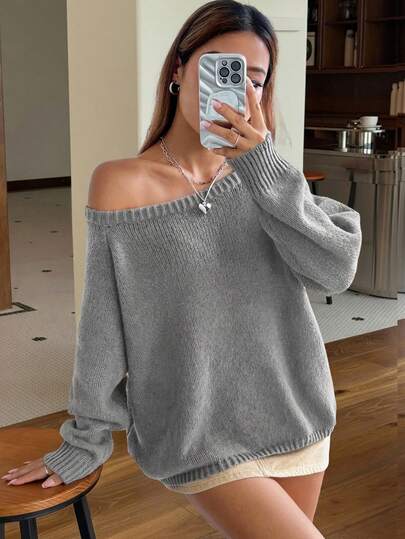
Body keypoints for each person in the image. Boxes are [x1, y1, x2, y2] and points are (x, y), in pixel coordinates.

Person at [1, 1, 362, 537]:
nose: (238, 91)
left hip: (296, 411)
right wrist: (87, 437)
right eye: (221, 69)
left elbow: (335, 271)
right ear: (179, 69)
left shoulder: (271, 181)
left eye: (254, 80)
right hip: (198, 431)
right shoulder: (120, 184)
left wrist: (263, 171)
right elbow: (103, 324)